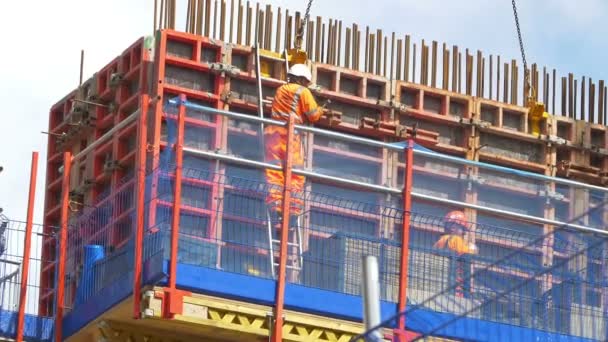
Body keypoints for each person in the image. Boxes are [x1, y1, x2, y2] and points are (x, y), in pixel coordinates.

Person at [264, 64, 325, 216]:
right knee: (296, 173)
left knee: (274, 171)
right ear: (302, 79)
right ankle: (293, 208)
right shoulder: (303, 92)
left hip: (273, 134)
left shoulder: (280, 89)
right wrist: (321, 109)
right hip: (290, 136)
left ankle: (276, 204)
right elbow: (313, 115)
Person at [433, 210, 477, 297]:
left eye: (455, 226)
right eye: (450, 225)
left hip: (448, 284)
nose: (452, 228)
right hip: (454, 286)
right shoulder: (452, 240)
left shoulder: (440, 241)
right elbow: (466, 255)